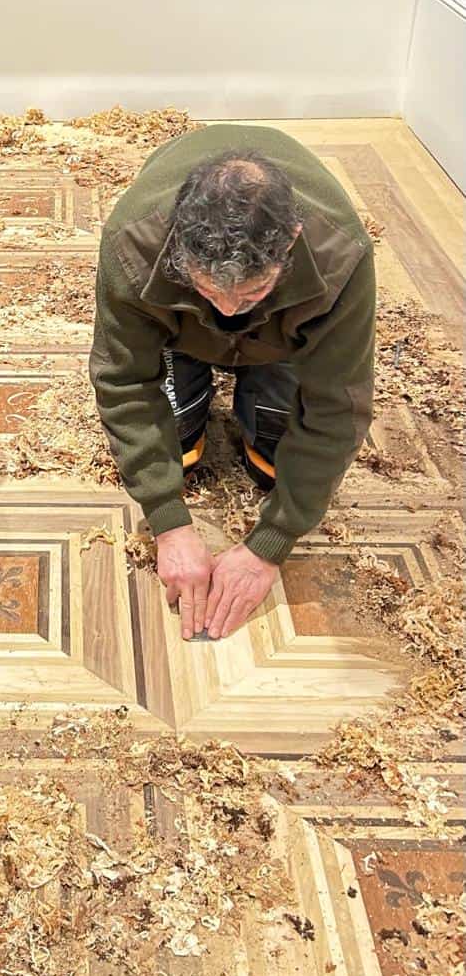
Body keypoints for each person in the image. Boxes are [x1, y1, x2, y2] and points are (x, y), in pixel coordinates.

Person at [90, 125, 375, 642]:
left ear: (290, 241)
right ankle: (199, 330)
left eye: (250, 290)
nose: (226, 307)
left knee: (272, 458)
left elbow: (338, 407)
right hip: (182, 326)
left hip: (280, 334)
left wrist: (272, 540)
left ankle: (256, 341)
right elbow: (124, 381)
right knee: (178, 448)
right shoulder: (132, 244)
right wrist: (168, 519)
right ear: (176, 237)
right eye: (210, 288)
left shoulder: (342, 257)